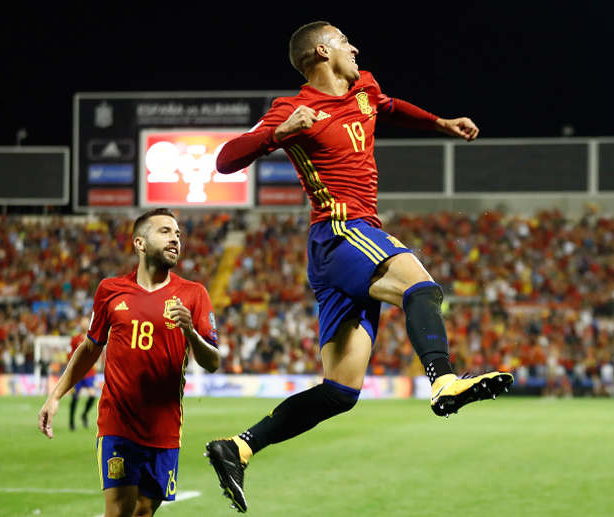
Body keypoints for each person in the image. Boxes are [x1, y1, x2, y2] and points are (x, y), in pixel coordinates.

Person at [205, 21, 513, 513]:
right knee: (421, 287)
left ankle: (238, 448)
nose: (355, 48)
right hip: (340, 230)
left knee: (340, 391)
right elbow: (224, 161)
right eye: (345, 41)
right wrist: (279, 134)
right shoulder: (292, 109)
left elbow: (391, 107)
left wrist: (439, 123)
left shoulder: (364, 87)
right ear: (322, 51)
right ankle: (442, 379)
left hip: (343, 249)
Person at [37, 208, 220, 517]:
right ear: (140, 242)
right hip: (118, 423)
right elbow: (90, 348)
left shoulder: (193, 294)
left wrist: (190, 332)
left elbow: (212, 361)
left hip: (165, 427)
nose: (175, 239)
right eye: (165, 231)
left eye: (177, 234)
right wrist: (55, 396)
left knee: (144, 511)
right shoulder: (110, 290)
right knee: (119, 511)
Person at [68, 316, 99, 431]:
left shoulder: (93, 338)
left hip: (90, 372)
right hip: (78, 372)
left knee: (93, 394)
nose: (85, 324)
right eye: (83, 322)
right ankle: (71, 422)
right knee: (75, 397)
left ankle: (84, 414)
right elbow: (69, 354)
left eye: (87, 322)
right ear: (80, 325)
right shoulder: (75, 339)